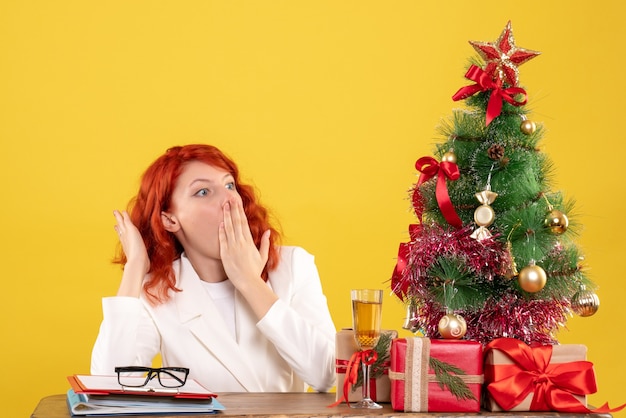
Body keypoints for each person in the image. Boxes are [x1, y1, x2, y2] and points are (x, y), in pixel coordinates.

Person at [91, 144, 336, 393]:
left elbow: (329, 375)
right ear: (170, 219)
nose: (230, 198)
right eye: (203, 192)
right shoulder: (158, 289)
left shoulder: (292, 265)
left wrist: (251, 282)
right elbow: (109, 385)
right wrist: (135, 268)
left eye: (230, 185)